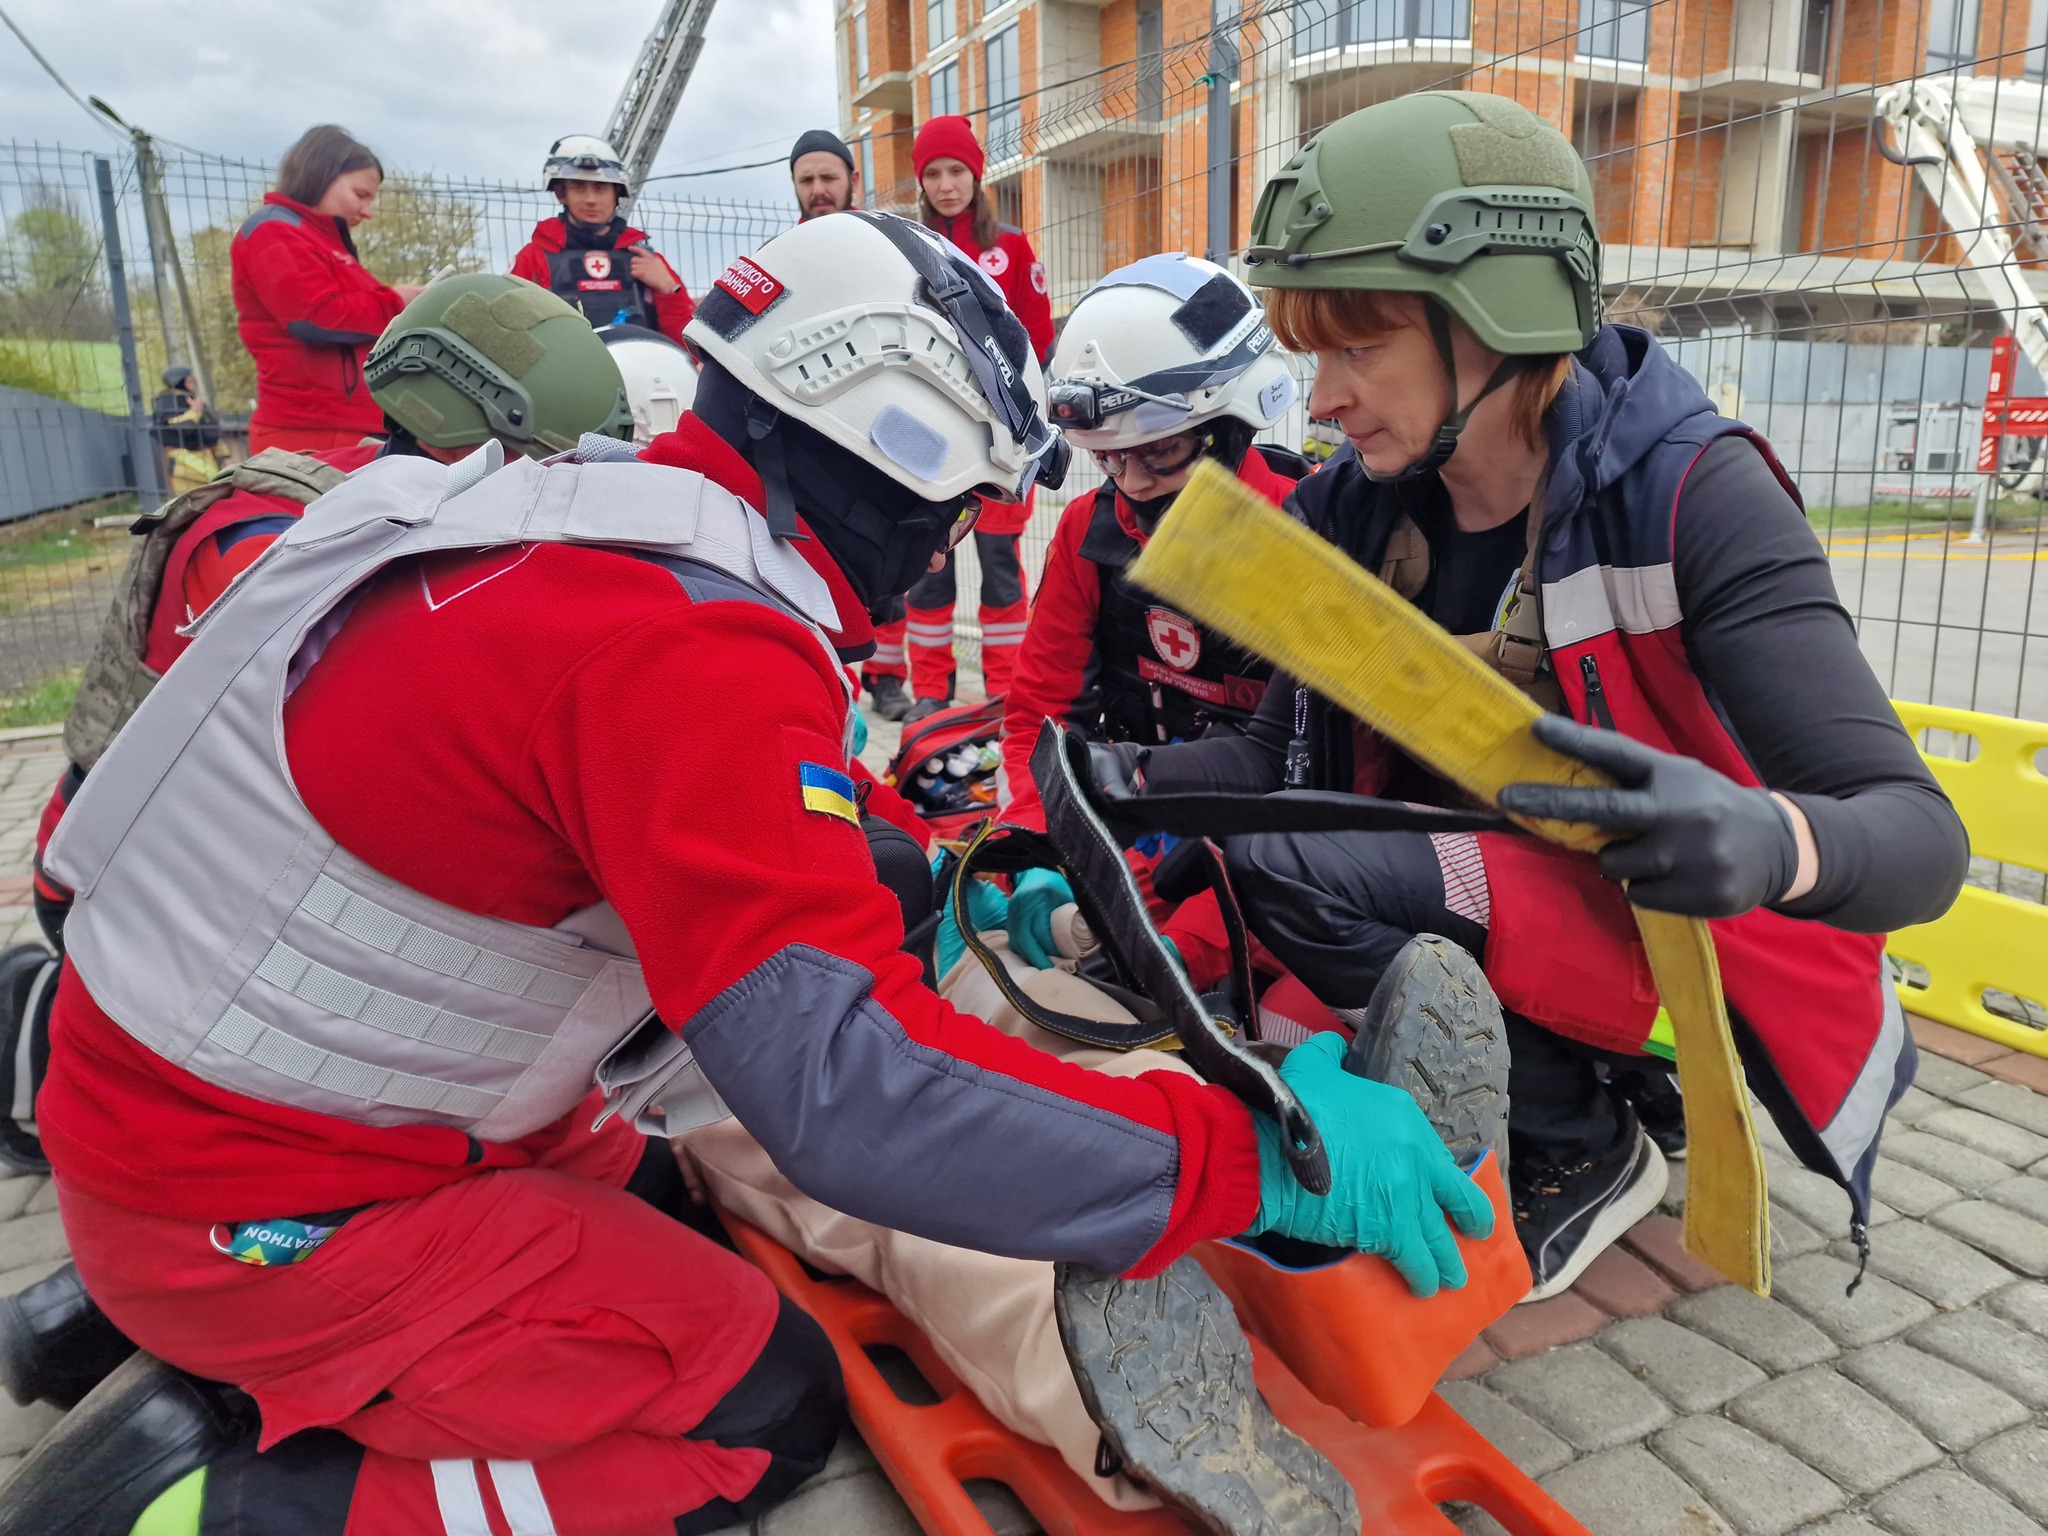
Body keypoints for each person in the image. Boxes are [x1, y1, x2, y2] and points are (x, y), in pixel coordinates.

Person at [0, 212, 1485, 1536]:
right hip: (282, 1205)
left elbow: (758, 852)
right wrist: (1244, 1154)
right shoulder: (687, 647)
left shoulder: (564, 530)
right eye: (949, 507)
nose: (942, 553)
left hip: (241, 1126)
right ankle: (211, 1500)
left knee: (724, 1162)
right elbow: (851, 1090)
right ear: (881, 446)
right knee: (759, 1404)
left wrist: (967, 867)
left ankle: (136, 1327)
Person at [1095, 91, 1968, 1301]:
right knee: (1248, 901)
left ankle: (1580, 1142)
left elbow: (1920, 839)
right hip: (1496, 892)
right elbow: (1267, 758)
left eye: (1357, 349)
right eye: (1313, 356)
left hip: (1686, 941)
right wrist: (1114, 782)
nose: (1323, 400)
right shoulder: (1356, 511)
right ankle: (1556, 1081)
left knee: (1295, 872)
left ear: (1494, 316)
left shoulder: (1691, 495)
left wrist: (1768, 838)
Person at [0, 274, 632, 1183]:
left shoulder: (365, 498)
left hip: (179, 865)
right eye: (545, 468)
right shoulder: (281, 541)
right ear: (483, 437)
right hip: (128, 884)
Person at [995, 255, 1305, 976]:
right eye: (1110, 458)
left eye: (1161, 451)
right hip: (1132, 828)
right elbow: (1039, 717)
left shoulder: (1310, 539)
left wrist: (1187, 946)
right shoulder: (1087, 531)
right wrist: (1039, 850)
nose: (1132, 484)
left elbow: (1328, 790)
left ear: (1230, 426)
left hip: (1269, 864)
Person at [899, 115, 1055, 721]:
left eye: (956, 171)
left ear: (976, 175)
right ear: (921, 181)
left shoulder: (1010, 247)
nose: (945, 185)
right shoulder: (904, 244)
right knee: (927, 567)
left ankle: (1002, 691)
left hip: (1000, 437)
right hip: (929, 435)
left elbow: (1038, 341)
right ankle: (930, 690)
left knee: (1001, 569)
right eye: (933, 173)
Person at [231, 125, 424, 455]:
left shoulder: (324, 244)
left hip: (346, 427)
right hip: (309, 431)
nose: (367, 211)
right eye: (360, 195)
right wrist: (395, 302)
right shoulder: (272, 231)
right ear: (320, 175)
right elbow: (315, 315)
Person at [509, 135, 695, 343]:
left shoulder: (647, 260)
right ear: (561, 194)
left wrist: (669, 289)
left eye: (600, 188)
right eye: (578, 188)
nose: (591, 200)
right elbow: (509, 329)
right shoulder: (533, 257)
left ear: (617, 194)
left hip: (636, 363)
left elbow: (687, 344)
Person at [148, 365, 225, 497]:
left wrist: (225, 456)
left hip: (207, 458)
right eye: (188, 380)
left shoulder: (192, 399)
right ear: (178, 381)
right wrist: (195, 412)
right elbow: (179, 428)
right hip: (183, 462)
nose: (192, 383)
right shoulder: (166, 401)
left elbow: (212, 431)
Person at [790, 128, 860, 221]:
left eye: (829, 178)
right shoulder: (789, 234)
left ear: (853, 181)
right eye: (806, 180)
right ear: (794, 183)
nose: (818, 191)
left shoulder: (876, 230)